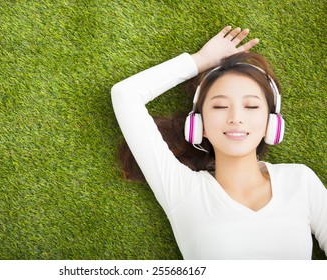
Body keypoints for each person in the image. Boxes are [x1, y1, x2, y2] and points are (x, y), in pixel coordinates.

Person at [111, 26, 327, 259]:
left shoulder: (300, 181)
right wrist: (200, 60)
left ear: (271, 123)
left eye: (251, 106)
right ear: (198, 125)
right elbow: (126, 95)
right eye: (220, 106)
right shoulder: (183, 190)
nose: (235, 117)